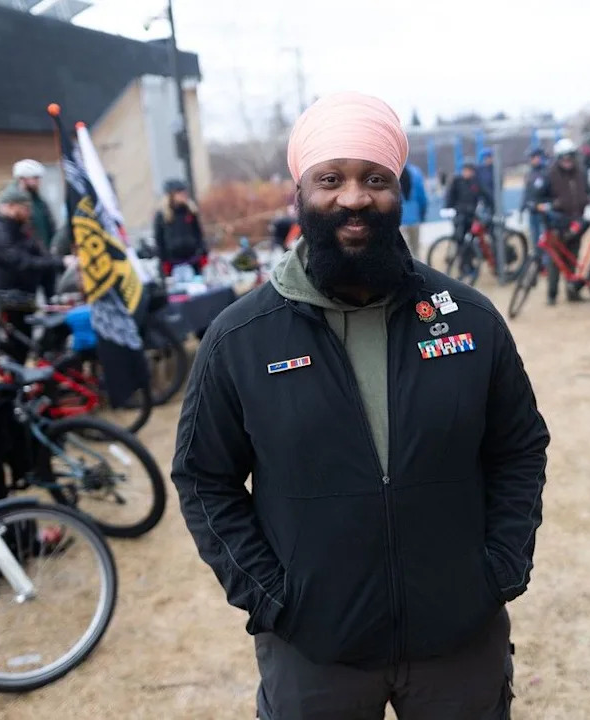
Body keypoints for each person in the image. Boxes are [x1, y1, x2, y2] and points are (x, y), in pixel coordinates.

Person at [171, 90, 550, 720]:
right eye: (331, 178)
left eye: (375, 178)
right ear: (301, 191)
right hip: (316, 651)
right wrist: (270, 597)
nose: (353, 197)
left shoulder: (469, 317)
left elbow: (518, 447)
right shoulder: (240, 338)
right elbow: (204, 477)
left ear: (399, 190)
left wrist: (501, 567)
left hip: (458, 641)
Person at [0, 185, 67, 363]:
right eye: (25, 208)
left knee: (30, 340)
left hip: (22, 296)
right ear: (11, 206)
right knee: (18, 347)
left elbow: (37, 251)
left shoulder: (18, 226)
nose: (29, 213)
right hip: (8, 299)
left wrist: (55, 260)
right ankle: (13, 386)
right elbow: (20, 261)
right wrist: (59, 262)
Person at [535, 138, 590, 304]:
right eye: (564, 158)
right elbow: (539, 198)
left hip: (576, 222)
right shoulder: (549, 174)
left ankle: (572, 292)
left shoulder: (581, 173)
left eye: (570, 157)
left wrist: (589, 201)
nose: (567, 161)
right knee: (555, 261)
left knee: (573, 257)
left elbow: (587, 192)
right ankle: (552, 295)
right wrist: (548, 208)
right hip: (556, 224)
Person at [11, 159, 57, 297]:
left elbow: (49, 224)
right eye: (35, 178)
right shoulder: (15, 203)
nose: (38, 182)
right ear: (23, 179)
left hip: (45, 256)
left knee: (51, 294)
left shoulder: (39, 200)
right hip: (29, 259)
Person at [153, 179, 207, 275]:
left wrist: (203, 253)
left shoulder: (190, 211)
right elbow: (159, 240)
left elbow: (199, 234)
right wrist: (163, 262)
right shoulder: (162, 215)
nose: (184, 194)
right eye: (179, 192)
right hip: (173, 263)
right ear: (171, 195)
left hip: (193, 260)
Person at [445, 159, 493, 244]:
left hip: (472, 215)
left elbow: (486, 195)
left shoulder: (476, 182)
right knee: (459, 238)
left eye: (468, 170)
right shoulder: (457, 181)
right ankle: (462, 253)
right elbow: (450, 196)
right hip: (460, 214)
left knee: (479, 233)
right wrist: (448, 208)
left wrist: (492, 207)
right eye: (465, 170)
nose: (466, 172)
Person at [520, 147, 548, 266]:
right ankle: (539, 264)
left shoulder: (546, 172)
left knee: (544, 239)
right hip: (532, 212)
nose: (534, 160)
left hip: (543, 212)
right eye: (532, 158)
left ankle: (547, 264)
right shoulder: (529, 174)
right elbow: (526, 192)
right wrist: (522, 207)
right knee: (535, 239)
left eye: (536, 157)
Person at [399, 162, 428, 257]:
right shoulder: (415, 172)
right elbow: (422, 197)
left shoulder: (391, 172)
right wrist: (422, 215)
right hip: (414, 217)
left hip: (398, 219)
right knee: (416, 253)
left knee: (401, 253)